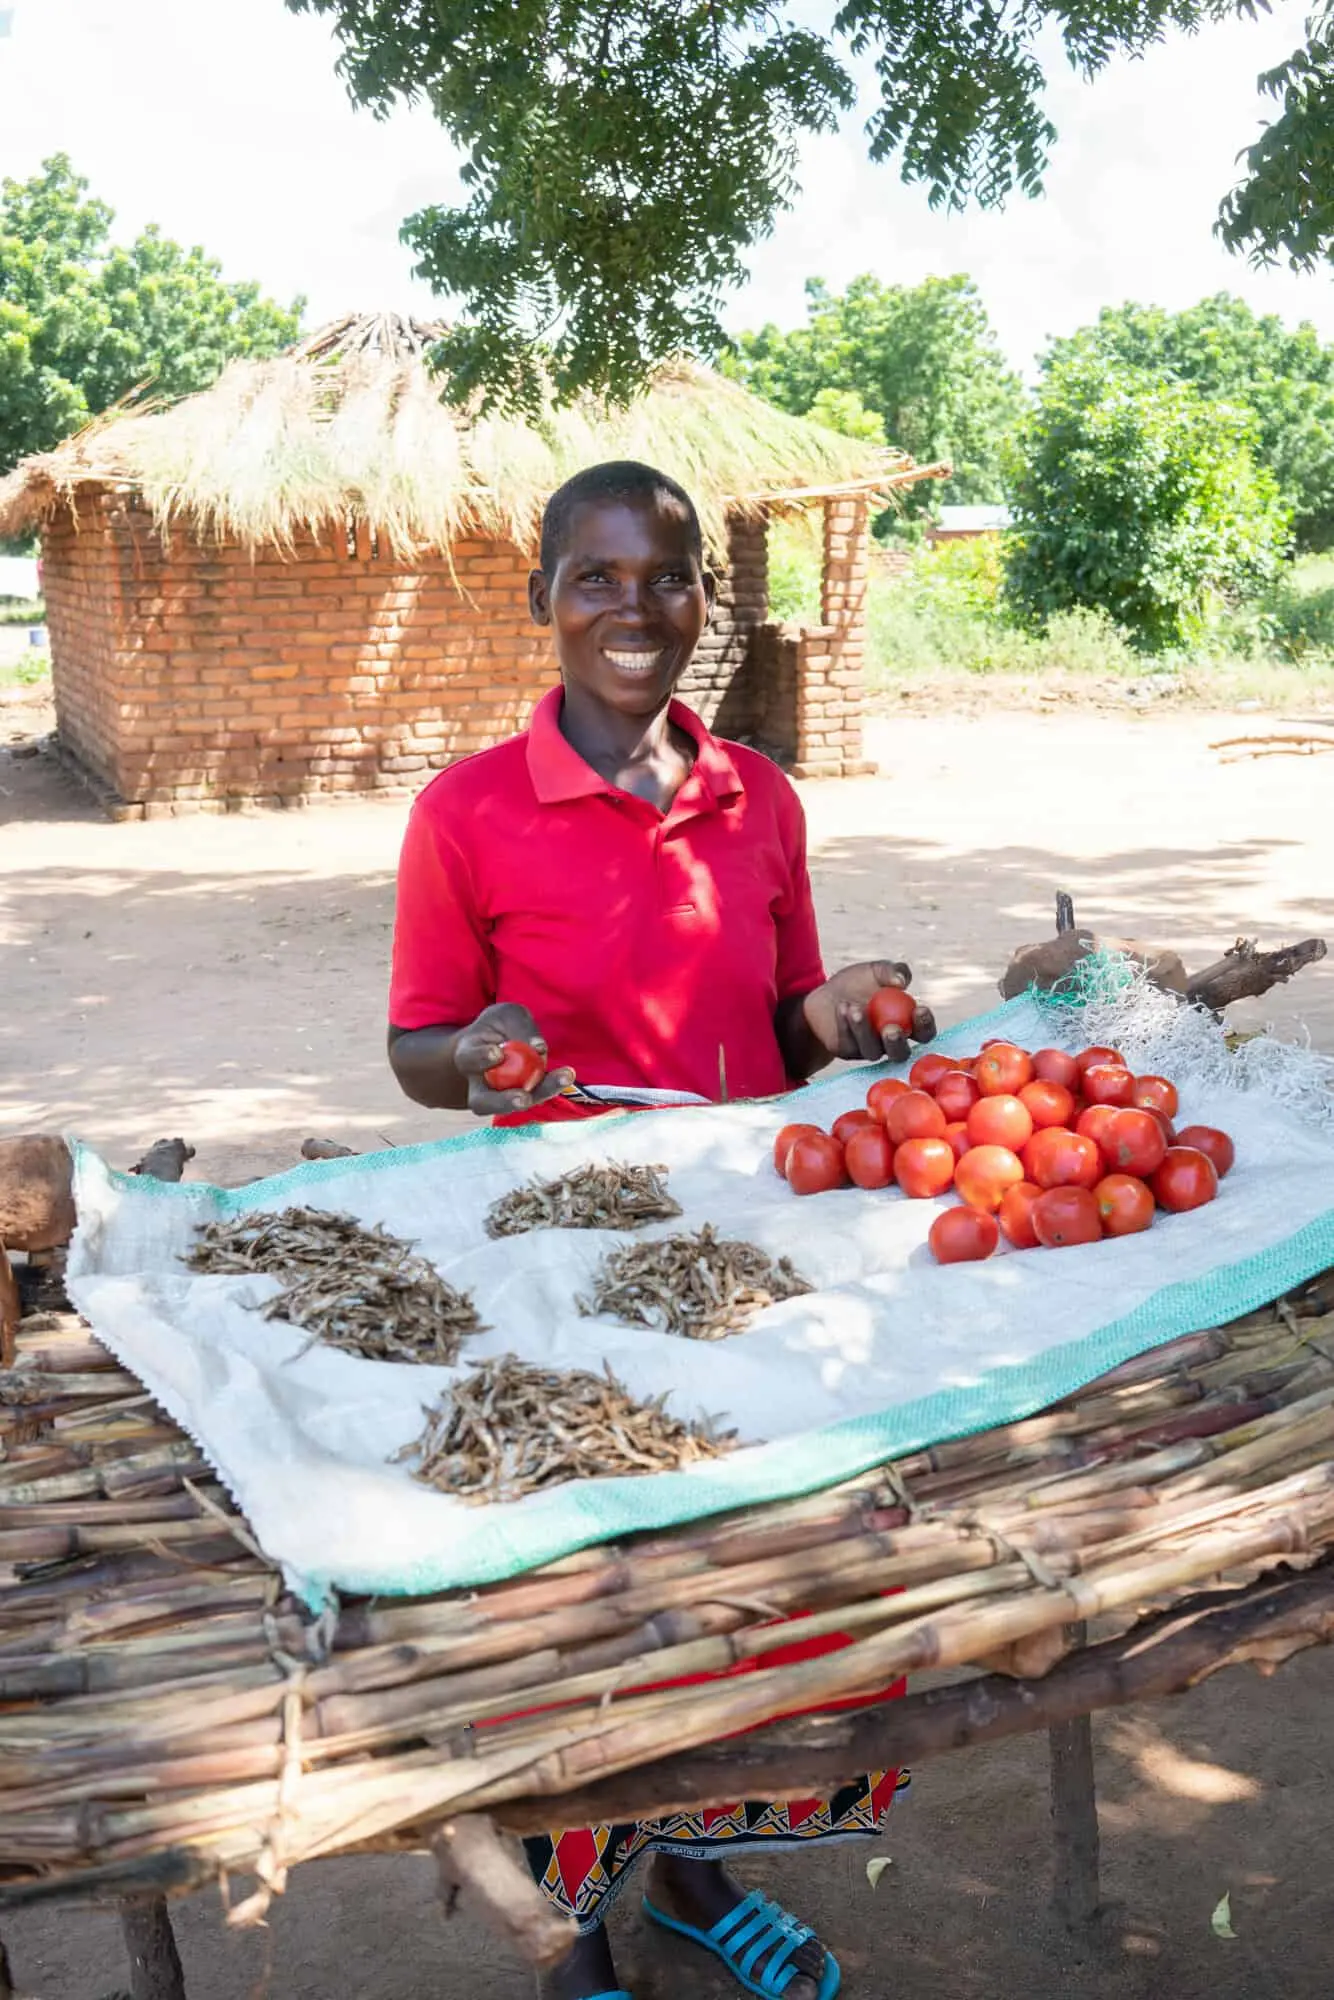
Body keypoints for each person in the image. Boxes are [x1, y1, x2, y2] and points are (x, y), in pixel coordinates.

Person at [388, 461, 935, 2000]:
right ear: (543, 597)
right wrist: (477, 1052)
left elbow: (784, 1023)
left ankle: (693, 1867)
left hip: (748, 1248)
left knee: (728, 1567)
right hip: (559, 1249)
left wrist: (836, 1017)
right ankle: (572, 1952)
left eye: (666, 577)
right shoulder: (468, 811)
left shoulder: (760, 797)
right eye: (596, 577)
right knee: (579, 1591)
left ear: (705, 595)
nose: (634, 610)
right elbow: (418, 1048)